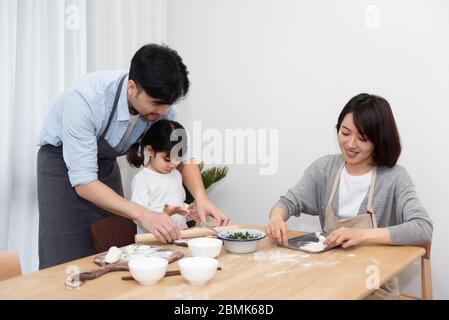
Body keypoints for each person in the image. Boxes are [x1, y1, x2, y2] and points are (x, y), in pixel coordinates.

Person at [37, 43, 228, 269]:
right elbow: (84, 182)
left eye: (168, 105)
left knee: (112, 246)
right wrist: (143, 214)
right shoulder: (86, 100)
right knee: (65, 253)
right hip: (62, 168)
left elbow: (184, 156)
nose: (163, 113)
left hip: (104, 165)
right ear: (131, 87)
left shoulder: (162, 107)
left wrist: (200, 196)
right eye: (157, 104)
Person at [267, 93, 433, 299]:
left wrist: (361, 235)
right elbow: (287, 202)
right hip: (327, 280)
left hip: (375, 286)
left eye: (362, 138)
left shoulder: (394, 178)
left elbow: (423, 228)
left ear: (378, 140)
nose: (350, 143)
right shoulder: (324, 169)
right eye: (345, 133)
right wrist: (276, 217)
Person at [128, 120, 200, 234]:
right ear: (150, 150)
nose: (173, 164)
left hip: (179, 236)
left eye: (178, 158)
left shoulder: (176, 174)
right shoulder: (143, 179)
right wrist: (166, 213)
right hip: (153, 242)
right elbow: (137, 216)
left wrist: (188, 211)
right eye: (167, 159)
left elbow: (177, 204)